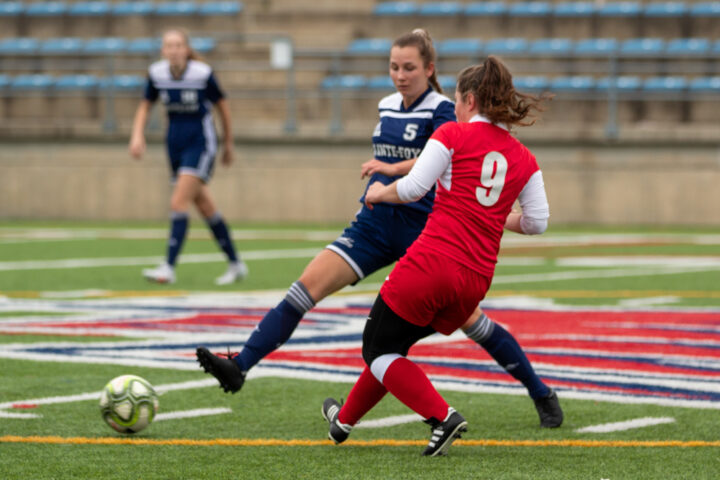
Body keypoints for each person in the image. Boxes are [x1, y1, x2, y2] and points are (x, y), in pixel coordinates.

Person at [196, 30, 561, 428]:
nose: (400, 75)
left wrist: (390, 172)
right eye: (394, 67)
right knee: (306, 287)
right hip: (377, 222)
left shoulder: (444, 110)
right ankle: (241, 365)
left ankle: (539, 391)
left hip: (425, 229)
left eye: (409, 68)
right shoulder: (387, 105)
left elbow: (435, 162)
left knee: (472, 323)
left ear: (430, 70)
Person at [322, 56, 554, 456]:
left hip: (433, 263)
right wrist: (492, 216)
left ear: (470, 100)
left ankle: (443, 417)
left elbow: (414, 188)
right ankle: (343, 423)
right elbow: (538, 223)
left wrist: (380, 191)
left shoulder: (452, 134)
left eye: (457, 101)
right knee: (392, 347)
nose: (455, 108)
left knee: (376, 349)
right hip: (475, 279)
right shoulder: (524, 158)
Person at [129, 28, 247, 286]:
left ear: (186, 49)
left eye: (178, 45)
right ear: (163, 50)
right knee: (205, 206)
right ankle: (236, 264)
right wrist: (137, 135)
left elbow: (223, 106)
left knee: (178, 202)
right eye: (168, 46)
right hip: (174, 143)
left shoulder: (201, 74)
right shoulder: (157, 73)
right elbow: (145, 105)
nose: (173, 50)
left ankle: (168, 267)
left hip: (200, 142)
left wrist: (228, 143)